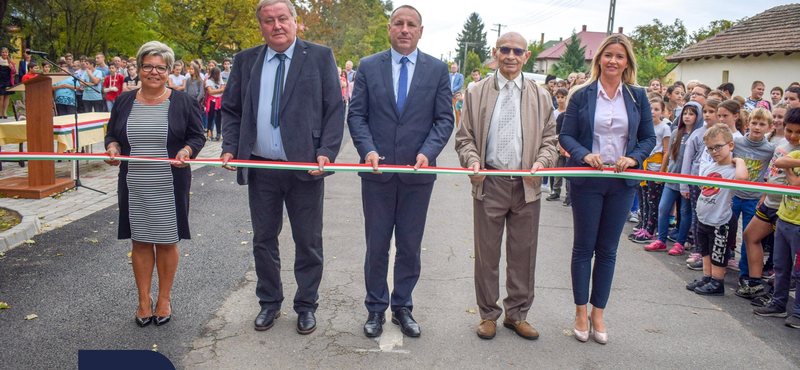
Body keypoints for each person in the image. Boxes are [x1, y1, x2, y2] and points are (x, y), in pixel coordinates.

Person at [220, 0, 344, 335]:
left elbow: (334, 108)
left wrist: (328, 152)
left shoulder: (319, 56)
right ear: (261, 25)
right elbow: (230, 109)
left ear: (295, 21)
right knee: (263, 240)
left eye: (283, 19)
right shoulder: (246, 61)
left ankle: (306, 306)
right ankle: (269, 303)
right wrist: (230, 147)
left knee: (307, 242)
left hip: (305, 168)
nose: (276, 25)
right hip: (261, 167)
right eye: (269, 20)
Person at [347, 4, 454, 339]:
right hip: (377, 174)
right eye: (399, 23)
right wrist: (368, 150)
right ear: (389, 28)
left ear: (421, 31)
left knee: (409, 245)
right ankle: (375, 309)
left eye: (411, 25)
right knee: (376, 245)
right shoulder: (368, 66)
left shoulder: (437, 70)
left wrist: (428, 151)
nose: (405, 29)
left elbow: (444, 120)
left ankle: (403, 307)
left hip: (417, 175)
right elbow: (357, 115)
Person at [455, 31, 557, 340]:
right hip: (491, 181)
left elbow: (551, 142)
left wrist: (543, 163)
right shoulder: (476, 91)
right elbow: (464, 138)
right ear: (495, 53)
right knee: (487, 253)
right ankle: (488, 314)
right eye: (505, 49)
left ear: (526, 56)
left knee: (523, 253)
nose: (510, 55)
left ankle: (517, 315)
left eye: (517, 50)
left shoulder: (541, 96)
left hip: (527, 184)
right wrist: (472, 161)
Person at [559, 34, 656, 344]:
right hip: (588, 181)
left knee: (608, 251)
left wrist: (634, 157)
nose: (613, 61)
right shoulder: (581, 94)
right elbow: (566, 135)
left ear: (627, 63)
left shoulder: (638, 95)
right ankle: (579, 311)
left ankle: (598, 312)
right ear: (599, 58)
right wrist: (584, 155)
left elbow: (648, 138)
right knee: (583, 248)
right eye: (608, 55)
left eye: (620, 56)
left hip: (621, 182)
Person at [104, 41, 205, 327]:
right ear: (138, 68)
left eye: (160, 67)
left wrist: (186, 151)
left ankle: (164, 298)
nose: (153, 72)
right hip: (135, 182)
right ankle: (143, 299)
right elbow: (112, 134)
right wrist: (112, 148)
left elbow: (197, 136)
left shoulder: (183, 102)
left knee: (167, 240)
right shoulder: (124, 101)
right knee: (141, 240)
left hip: (169, 183)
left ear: (169, 71)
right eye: (147, 66)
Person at [685, 124, 748, 295]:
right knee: (705, 250)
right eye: (710, 149)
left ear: (731, 145)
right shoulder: (708, 167)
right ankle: (707, 276)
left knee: (718, 253)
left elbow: (742, 179)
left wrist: (740, 160)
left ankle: (717, 282)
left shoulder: (733, 170)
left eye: (719, 146)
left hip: (720, 220)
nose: (714, 151)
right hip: (704, 217)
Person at [754, 107, 800, 325]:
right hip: (783, 214)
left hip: (797, 219)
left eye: (798, 132)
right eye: (789, 131)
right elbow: (776, 166)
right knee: (781, 265)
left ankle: (798, 312)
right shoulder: (784, 145)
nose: (792, 136)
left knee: (798, 271)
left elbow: (794, 182)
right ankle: (778, 303)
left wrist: (789, 167)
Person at [731, 108, 776, 298]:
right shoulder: (737, 142)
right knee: (725, 231)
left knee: (748, 239)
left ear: (769, 127)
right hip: (734, 195)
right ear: (748, 123)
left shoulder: (770, 149)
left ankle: (746, 275)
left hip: (754, 198)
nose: (757, 127)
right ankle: (721, 263)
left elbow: (771, 174)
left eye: (762, 124)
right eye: (754, 123)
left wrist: (764, 195)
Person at [629, 97, 671, 243]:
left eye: (656, 109)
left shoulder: (664, 128)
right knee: (644, 200)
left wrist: (662, 171)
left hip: (655, 167)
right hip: (644, 166)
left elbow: (666, 151)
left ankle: (651, 231)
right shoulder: (644, 125)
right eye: (650, 109)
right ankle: (644, 225)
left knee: (653, 201)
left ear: (663, 111)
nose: (652, 112)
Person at [547, 87, 569, 202]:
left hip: (569, 147)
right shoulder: (556, 114)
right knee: (557, 169)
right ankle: (555, 191)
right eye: (558, 97)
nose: (560, 100)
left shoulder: (569, 113)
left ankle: (569, 195)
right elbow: (555, 132)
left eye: (562, 97)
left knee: (570, 171)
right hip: (557, 145)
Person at [204, 66, 224, 141]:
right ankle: (209, 133)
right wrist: (219, 90)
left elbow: (223, 89)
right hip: (212, 101)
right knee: (210, 117)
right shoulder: (208, 81)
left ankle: (219, 133)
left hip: (219, 100)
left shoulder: (220, 80)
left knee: (219, 117)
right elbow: (210, 92)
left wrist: (217, 91)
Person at [0, 47, 16, 119]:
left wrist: (12, 68)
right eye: (3, 52)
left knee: (6, 96)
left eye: (6, 52)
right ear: (1, 53)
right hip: (1, 81)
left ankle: (5, 112)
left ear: (8, 53)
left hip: (8, 80)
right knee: (1, 97)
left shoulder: (10, 61)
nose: (4, 54)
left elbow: (14, 72)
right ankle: (0, 112)